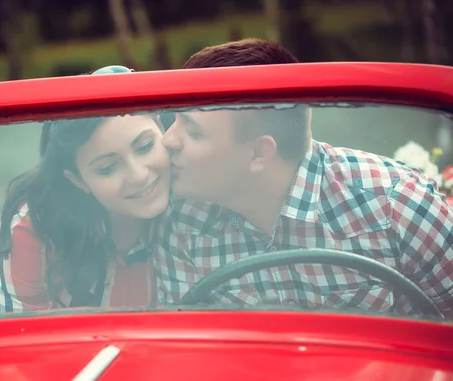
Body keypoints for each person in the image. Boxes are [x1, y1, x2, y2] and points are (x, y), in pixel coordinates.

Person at [154, 39, 453, 318]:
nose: (167, 140)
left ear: (258, 152)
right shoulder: (182, 224)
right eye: (174, 121)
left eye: (193, 132)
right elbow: (191, 349)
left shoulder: (397, 205)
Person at [0, 66, 171, 313]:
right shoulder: (34, 227)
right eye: (107, 168)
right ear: (78, 181)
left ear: (163, 129)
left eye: (145, 146)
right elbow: (24, 340)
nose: (139, 175)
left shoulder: (198, 194)